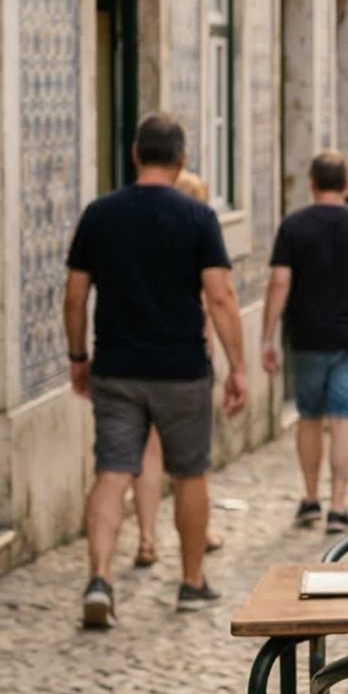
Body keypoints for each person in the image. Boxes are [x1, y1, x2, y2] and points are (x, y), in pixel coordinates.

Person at [64, 112, 248, 627]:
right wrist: (239, 367)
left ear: (135, 155)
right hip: (182, 368)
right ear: (182, 159)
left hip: (117, 366)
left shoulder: (99, 214)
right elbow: (221, 296)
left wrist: (78, 356)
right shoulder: (198, 218)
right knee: (189, 472)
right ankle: (191, 583)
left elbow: (75, 294)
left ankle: (99, 578)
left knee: (112, 471)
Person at [261, 151, 348, 532]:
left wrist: (267, 336)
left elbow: (279, 282)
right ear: (347, 184)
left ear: (312, 183)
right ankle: (338, 506)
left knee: (309, 417)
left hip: (306, 336)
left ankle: (309, 500)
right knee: (343, 420)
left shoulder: (293, 226)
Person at [130, 169, 226, 568]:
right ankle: (197, 536)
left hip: (134, 357)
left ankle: (147, 539)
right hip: (183, 362)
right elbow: (213, 301)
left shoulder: (135, 232)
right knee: (190, 464)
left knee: (148, 453)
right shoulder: (197, 231)